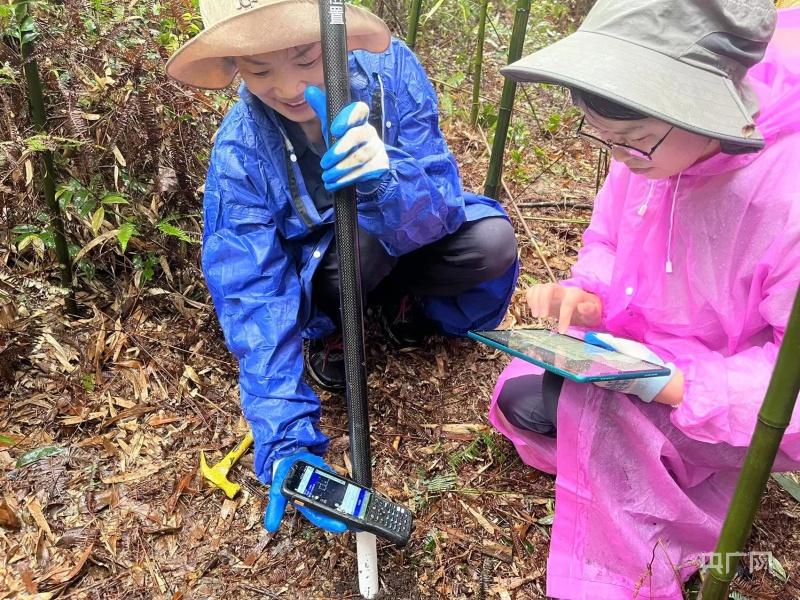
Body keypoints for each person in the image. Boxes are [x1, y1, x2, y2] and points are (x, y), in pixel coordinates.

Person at [166, 0, 518, 534]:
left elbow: (444, 201)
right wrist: (285, 436)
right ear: (236, 67)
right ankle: (336, 332)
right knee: (358, 246)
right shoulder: (240, 150)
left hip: (415, 235)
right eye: (259, 70)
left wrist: (385, 180)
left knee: (490, 242)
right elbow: (251, 291)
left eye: (307, 58)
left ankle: (408, 310)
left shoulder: (392, 73)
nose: (287, 87)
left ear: (338, 39)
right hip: (333, 273)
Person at [489, 1, 800, 598]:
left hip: (732, 396)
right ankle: (663, 466)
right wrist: (584, 298)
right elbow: (609, 240)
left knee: (604, 414)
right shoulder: (647, 155)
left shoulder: (783, 200)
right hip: (636, 351)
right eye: (604, 137)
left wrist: (678, 386)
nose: (617, 157)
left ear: (710, 112)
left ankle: (623, 572)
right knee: (523, 397)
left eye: (632, 141)